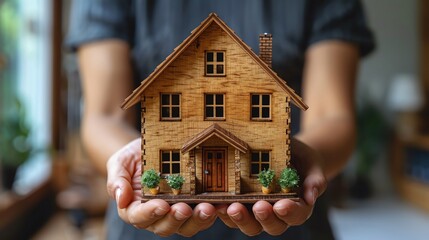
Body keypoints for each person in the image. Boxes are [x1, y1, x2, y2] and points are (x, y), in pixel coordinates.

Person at [66, 0, 374, 239]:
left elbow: (333, 115)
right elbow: (103, 116)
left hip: (293, 226)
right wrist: (134, 161)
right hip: (145, 230)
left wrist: (305, 157)